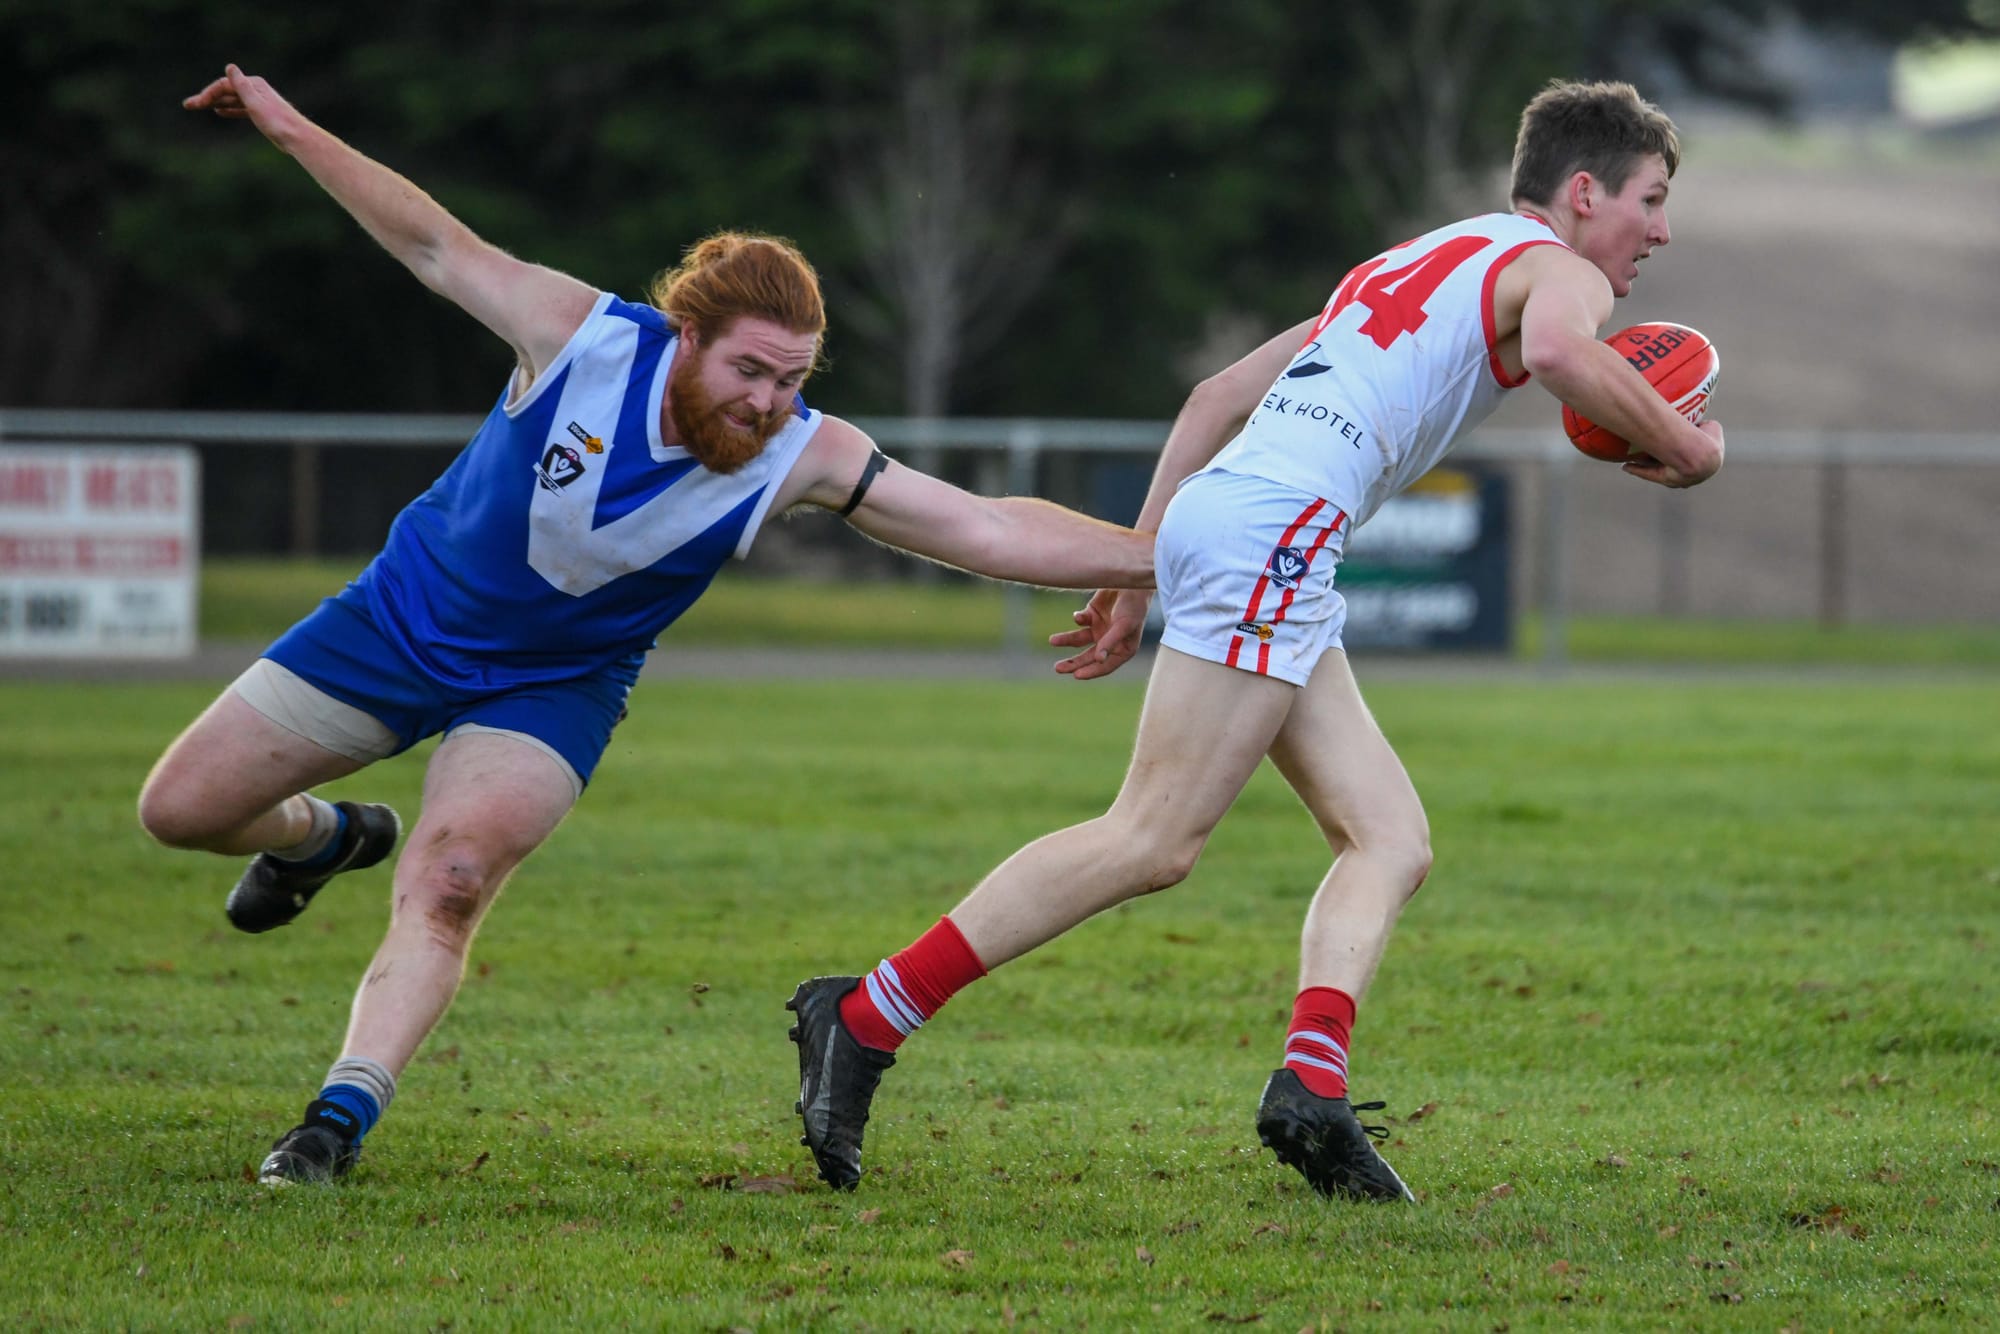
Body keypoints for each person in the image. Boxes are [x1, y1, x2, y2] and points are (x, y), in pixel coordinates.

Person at [141, 64, 1153, 1186]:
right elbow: (429, 242)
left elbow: (987, 528)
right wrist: (287, 127)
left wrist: (1157, 557)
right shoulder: (577, 335)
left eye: (791, 377)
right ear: (686, 334)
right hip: (394, 623)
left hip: (550, 688)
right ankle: (323, 837)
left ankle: (334, 1121)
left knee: (453, 877)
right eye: (750, 369)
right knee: (178, 809)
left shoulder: (802, 451)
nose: (768, 400)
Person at [788, 79, 1724, 1202]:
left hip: (1248, 523)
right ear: (1582, 192)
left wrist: (1146, 568)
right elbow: (1572, 358)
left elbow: (1211, 394)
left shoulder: (1410, 258)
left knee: (1388, 837)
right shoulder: (1556, 270)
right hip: (1276, 531)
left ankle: (1311, 1087)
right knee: (1151, 837)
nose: (1658, 231)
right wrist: (1689, 443)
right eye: (1650, 200)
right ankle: (863, 1014)